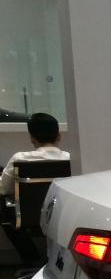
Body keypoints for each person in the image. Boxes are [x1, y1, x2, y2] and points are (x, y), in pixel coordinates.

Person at [1, 113, 69, 265]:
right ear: (59, 136)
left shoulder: (20, 159)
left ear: (32, 138)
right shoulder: (70, 159)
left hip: (29, 220)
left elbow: (3, 189)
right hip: (62, 217)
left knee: (2, 205)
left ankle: (32, 260)